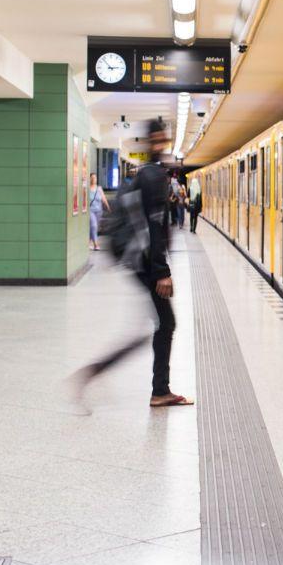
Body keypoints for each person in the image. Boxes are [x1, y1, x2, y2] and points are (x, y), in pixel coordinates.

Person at [79, 118, 192, 407]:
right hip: (145, 263)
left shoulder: (148, 172)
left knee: (159, 324)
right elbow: (152, 225)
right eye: (162, 137)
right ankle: (156, 390)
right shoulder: (154, 176)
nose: (163, 141)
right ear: (158, 139)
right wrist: (161, 272)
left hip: (139, 261)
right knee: (165, 323)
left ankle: (150, 386)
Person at [87, 173, 109, 251]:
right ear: (89, 179)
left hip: (99, 211)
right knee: (94, 226)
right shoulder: (86, 189)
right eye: (92, 178)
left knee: (93, 228)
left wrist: (108, 207)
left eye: (95, 178)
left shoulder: (99, 188)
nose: (93, 179)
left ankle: (87, 243)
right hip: (90, 211)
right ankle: (96, 245)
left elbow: (103, 198)